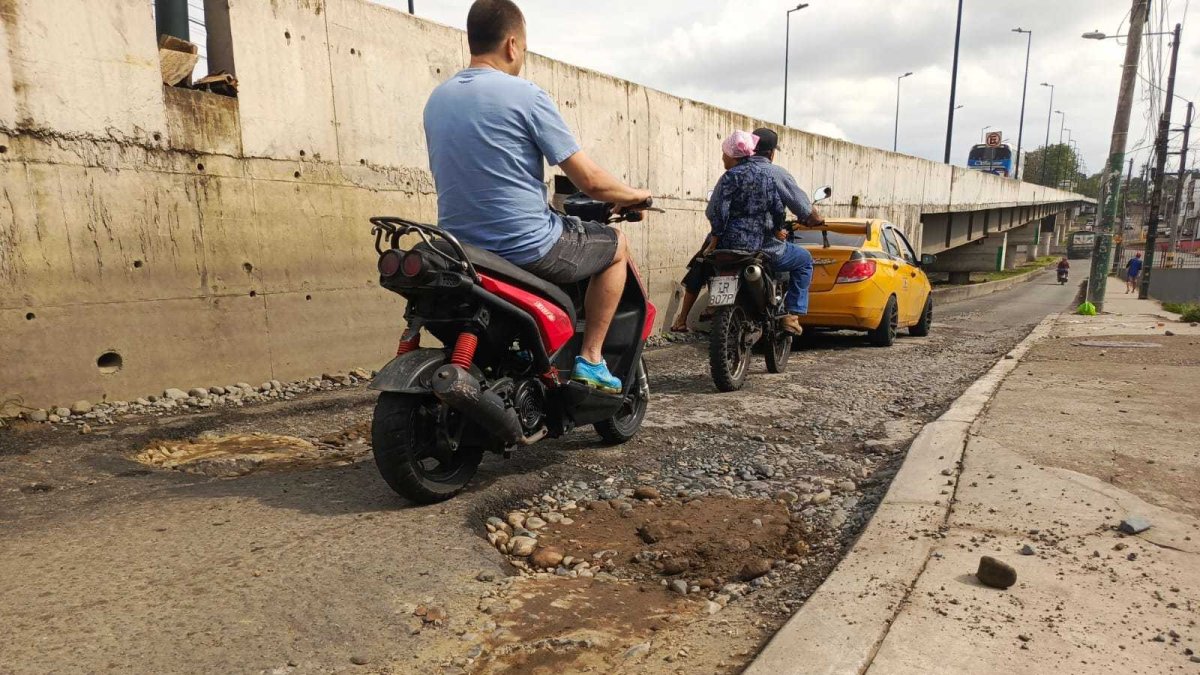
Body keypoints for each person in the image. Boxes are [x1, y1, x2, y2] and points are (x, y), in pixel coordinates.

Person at [423, 0, 651, 394]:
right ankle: (592, 359)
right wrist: (635, 196)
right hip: (526, 245)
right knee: (616, 245)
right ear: (512, 44)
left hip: (460, 249)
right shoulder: (525, 95)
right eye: (525, 49)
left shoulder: (437, 100)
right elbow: (590, 181)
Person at [705, 131, 814, 335]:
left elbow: (715, 211)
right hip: (759, 247)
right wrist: (777, 229)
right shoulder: (768, 176)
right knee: (805, 259)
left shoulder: (729, 176)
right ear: (771, 153)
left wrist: (716, 235)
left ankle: (707, 306)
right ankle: (792, 315)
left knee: (704, 260)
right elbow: (778, 209)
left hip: (727, 245)